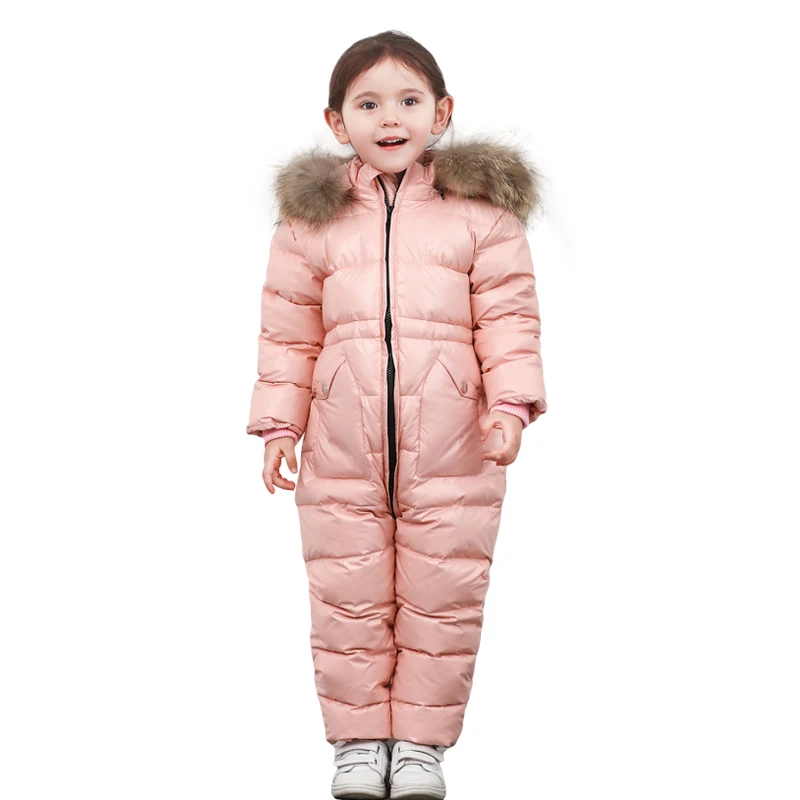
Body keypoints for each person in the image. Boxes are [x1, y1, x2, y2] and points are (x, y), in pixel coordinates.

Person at [246, 30, 548, 800]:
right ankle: (356, 744)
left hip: (457, 447)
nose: (390, 118)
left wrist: (511, 405)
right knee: (345, 598)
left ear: (441, 112)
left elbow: (509, 319)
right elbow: (288, 333)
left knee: (443, 597)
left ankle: (419, 746)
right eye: (369, 104)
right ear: (336, 121)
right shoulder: (310, 223)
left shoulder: (481, 216)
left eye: (409, 101)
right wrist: (280, 425)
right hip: (339, 449)